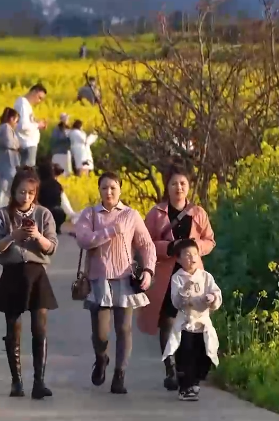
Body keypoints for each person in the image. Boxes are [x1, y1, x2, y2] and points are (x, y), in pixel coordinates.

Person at [73, 172, 157, 395]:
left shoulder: (131, 215)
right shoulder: (90, 214)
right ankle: (101, 358)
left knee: (124, 328)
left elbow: (146, 245)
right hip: (98, 280)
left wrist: (148, 271)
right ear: (99, 190)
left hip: (124, 279)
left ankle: (120, 374)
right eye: (104, 188)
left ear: (120, 189)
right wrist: (111, 230)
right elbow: (83, 239)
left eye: (113, 187)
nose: (109, 192)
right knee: (100, 333)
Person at [139, 161, 216, 391]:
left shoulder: (197, 213)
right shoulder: (157, 213)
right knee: (167, 321)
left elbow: (210, 240)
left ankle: (188, 369)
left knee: (191, 323)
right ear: (167, 186)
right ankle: (170, 369)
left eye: (183, 183)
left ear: (188, 186)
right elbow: (144, 242)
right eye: (174, 183)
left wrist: (195, 247)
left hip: (192, 275)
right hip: (165, 275)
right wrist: (168, 247)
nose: (179, 188)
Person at [0, 167, 58, 400]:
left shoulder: (44, 214)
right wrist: (12, 237)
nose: (26, 197)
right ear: (14, 191)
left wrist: (37, 236)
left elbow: (52, 246)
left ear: (36, 193)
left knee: (40, 329)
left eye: (30, 193)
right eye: (22, 192)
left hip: (37, 274)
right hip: (12, 274)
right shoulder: (2, 215)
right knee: (13, 330)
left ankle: (39, 382)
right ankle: (16, 382)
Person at [162, 239, 222, 402]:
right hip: (185, 324)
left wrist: (212, 298)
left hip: (202, 323)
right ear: (179, 259)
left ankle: (195, 381)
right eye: (187, 255)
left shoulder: (206, 276)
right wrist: (184, 291)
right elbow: (176, 302)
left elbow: (216, 293)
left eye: (195, 254)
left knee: (203, 354)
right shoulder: (177, 278)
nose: (192, 258)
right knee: (185, 355)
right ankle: (185, 387)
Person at [0, 108, 21, 212]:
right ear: (11, 119)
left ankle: (1, 205)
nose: (16, 124)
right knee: (6, 182)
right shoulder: (6, 128)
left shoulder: (5, 128)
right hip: (7, 158)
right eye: (16, 121)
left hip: (6, 158)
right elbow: (9, 143)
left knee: (5, 182)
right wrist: (17, 145)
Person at [36, 163, 77, 233]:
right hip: (58, 214)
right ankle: (56, 228)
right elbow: (64, 203)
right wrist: (72, 214)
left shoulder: (38, 186)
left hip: (44, 215)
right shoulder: (57, 185)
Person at [14, 84, 47, 167]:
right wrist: (38, 125)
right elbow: (23, 126)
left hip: (28, 145)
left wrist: (36, 122)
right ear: (34, 92)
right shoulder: (23, 104)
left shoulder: (26, 105)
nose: (39, 101)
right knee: (27, 172)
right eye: (39, 97)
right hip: (27, 145)